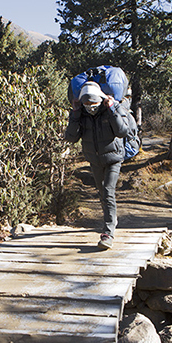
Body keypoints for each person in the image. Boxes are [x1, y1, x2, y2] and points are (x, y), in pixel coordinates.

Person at [64, 81, 131, 249]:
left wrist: (112, 109)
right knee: (102, 193)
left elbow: (123, 131)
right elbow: (71, 137)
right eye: (86, 104)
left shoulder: (111, 109)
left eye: (93, 103)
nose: (90, 107)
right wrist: (75, 113)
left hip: (113, 158)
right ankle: (112, 219)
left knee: (108, 191)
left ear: (100, 99)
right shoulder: (81, 114)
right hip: (94, 160)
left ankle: (108, 233)